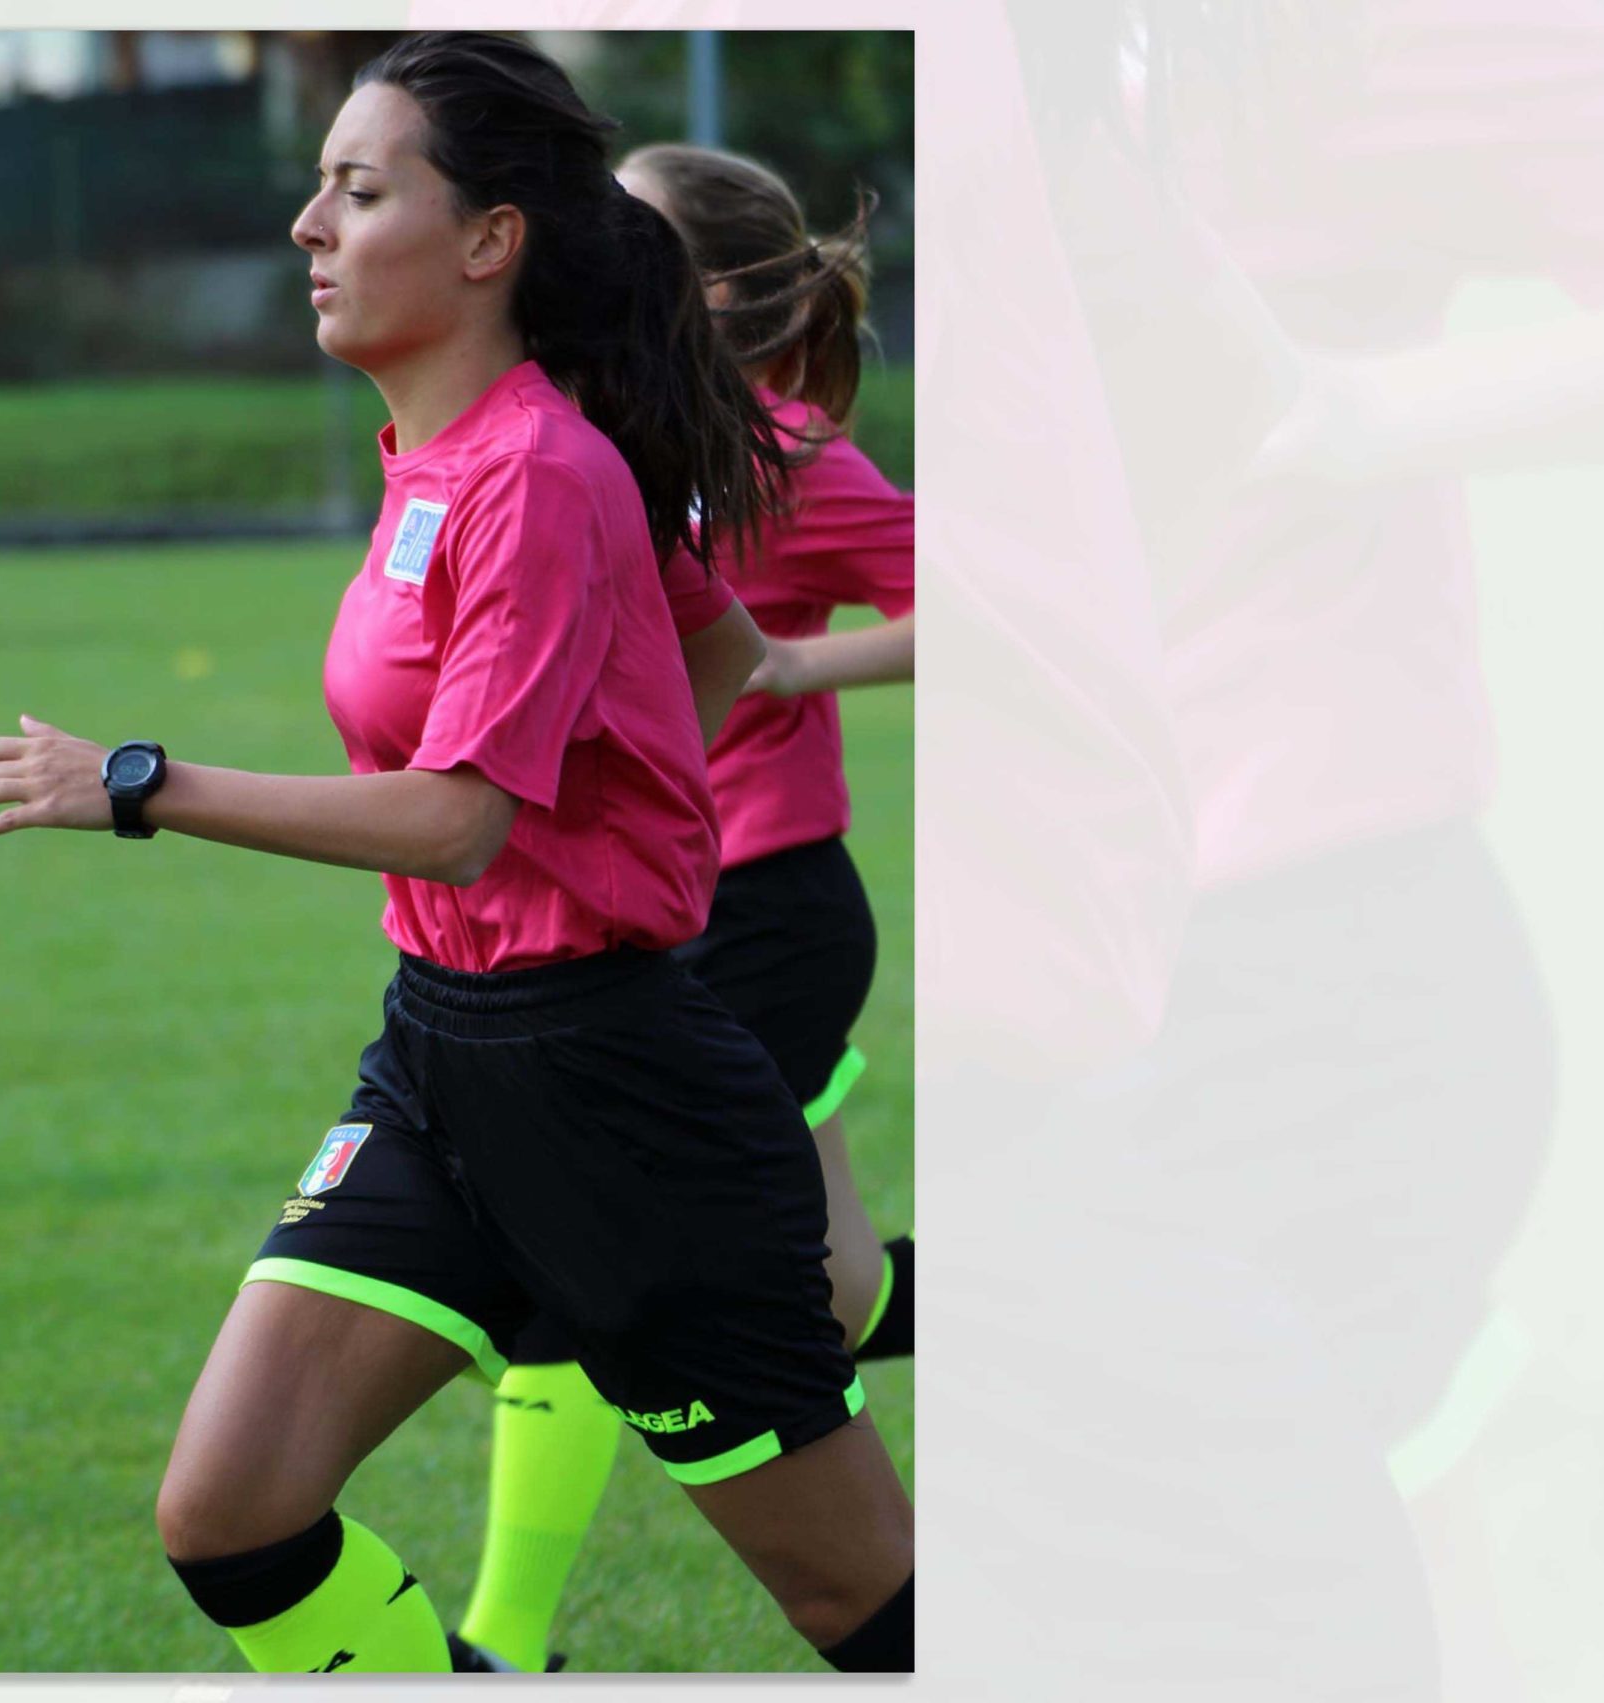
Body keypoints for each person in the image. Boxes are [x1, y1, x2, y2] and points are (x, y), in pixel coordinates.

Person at [0, 31, 913, 1675]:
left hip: (623, 1101)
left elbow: (459, 817)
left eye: (359, 189)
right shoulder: (446, 460)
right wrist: (623, 791)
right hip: (442, 1056)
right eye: (318, 188)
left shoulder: (536, 469)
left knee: (871, 1610)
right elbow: (717, 646)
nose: (309, 225)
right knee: (231, 1510)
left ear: (488, 240)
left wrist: (139, 780)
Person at [448, 142, 918, 1675]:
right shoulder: (586, 431)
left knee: (583, 1260)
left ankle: (501, 1644)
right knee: (840, 1288)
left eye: (622, 226)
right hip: (659, 914)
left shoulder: (786, 451)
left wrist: (791, 663)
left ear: (705, 284)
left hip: (766, 905)